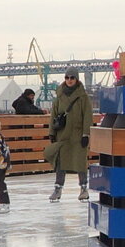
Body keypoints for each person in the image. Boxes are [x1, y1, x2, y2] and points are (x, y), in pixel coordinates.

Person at [48, 67, 92, 202]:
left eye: (72, 78)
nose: (69, 80)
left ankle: (84, 188)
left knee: (80, 162)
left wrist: (86, 134)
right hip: (63, 135)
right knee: (60, 162)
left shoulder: (83, 97)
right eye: (67, 77)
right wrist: (51, 132)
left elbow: (87, 116)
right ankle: (58, 188)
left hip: (78, 135)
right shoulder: (59, 96)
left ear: (76, 79)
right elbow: (53, 115)